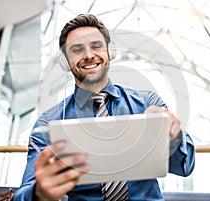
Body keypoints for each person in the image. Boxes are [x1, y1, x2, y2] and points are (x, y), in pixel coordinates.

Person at [13, 14, 195, 201]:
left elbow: (185, 166)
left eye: (96, 46)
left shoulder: (147, 103)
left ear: (110, 52)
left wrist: (173, 138)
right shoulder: (48, 124)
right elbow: (24, 193)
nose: (89, 55)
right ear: (65, 62)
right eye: (77, 49)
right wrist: (39, 192)